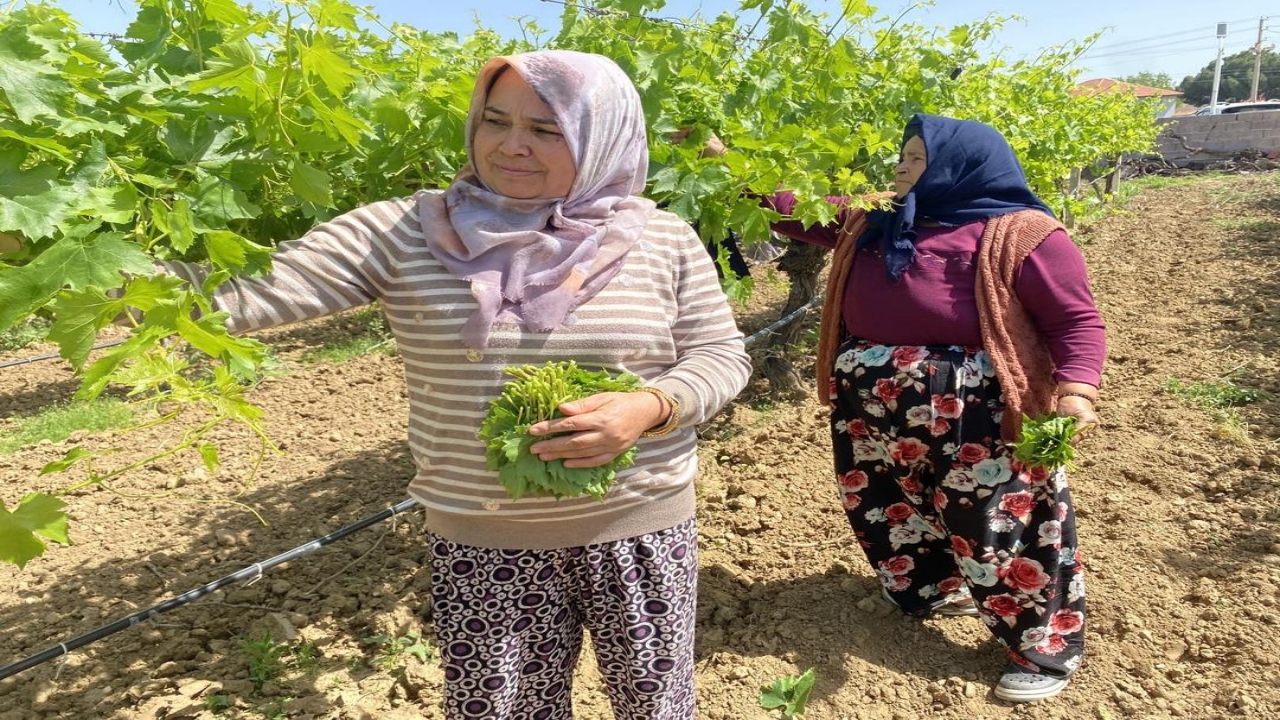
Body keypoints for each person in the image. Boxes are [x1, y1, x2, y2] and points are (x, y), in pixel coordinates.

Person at [161, 50, 751, 719]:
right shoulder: (403, 232)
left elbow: (721, 354)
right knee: (498, 709)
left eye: (547, 129)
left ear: (601, 137)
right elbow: (243, 293)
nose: (512, 144)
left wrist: (650, 406)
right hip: (483, 541)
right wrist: (88, 269)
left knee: (656, 706)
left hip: (641, 525)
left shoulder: (661, 237)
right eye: (495, 121)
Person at [764, 114, 1103, 703]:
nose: (902, 167)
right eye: (903, 156)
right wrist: (719, 158)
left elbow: (1074, 318)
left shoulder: (1025, 234)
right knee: (887, 503)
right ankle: (930, 587)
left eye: (917, 158)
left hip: (976, 412)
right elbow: (794, 209)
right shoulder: (874, 219)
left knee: (1002, 521)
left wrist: (1076, 390)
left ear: (959, 164)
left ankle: (1042, 645)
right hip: (870, 406)